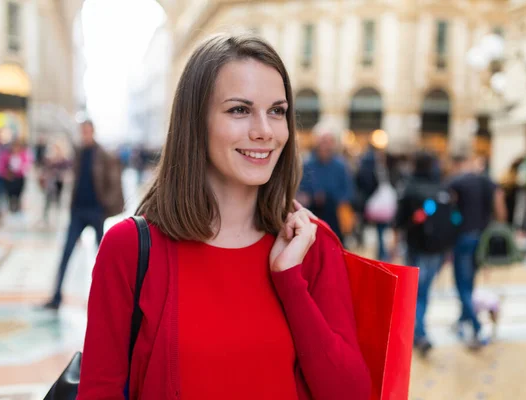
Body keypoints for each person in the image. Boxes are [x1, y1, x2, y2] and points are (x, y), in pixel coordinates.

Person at [77, 34, 371, 400]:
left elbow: (351, 393)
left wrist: (290, 282)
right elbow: (98, 391)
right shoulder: (129, 249)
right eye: (239, 110)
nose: (264, 131)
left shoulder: (312, 243)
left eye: (277, 111)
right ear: (195, 121)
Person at [43, 120, 124, 310]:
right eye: (83, 132)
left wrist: (105, 206)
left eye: (88, 131)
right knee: (66, 253)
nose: (85, 135)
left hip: (96, 212)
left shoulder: (103, 154)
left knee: (103, 258)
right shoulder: (79, 153)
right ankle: (56, 297)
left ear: (93, 132)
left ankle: (108, 300)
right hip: (78, 212)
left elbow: (114, 183)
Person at [390, 151, 452, 356]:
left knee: (415, 291)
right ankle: (418, 331)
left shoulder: (409, 187)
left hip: (416, 246)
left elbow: (399, 221)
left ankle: (417, 332)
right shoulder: (441, 187)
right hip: (438, 248)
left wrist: (394, 245)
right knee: (423, 291)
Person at [448, 154, 506, 348]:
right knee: (470, 281)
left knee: (461, 285)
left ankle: (476, 325)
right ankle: (463, 319)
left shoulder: (458, 181)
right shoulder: (487, 182)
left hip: (462, 237)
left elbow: (445, 205)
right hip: (481, 237)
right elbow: (500, 206)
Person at [298, 129, 354, 243]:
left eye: (328, 142)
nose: (325, 146)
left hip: (335, 217)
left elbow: (348, 191)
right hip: (313, 215)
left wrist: (331, 197)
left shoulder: (341, 166)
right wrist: (311, 197)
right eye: (322, 142)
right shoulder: (307, 165)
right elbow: (301, 189)